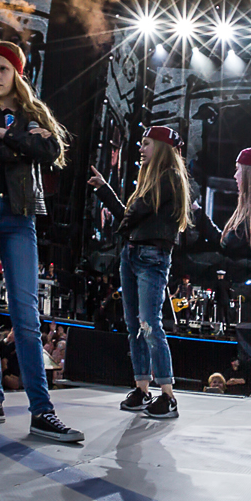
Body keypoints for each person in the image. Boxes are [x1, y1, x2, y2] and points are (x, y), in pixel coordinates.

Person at [0, 39, 82, 442]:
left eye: (2, 69)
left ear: (17, 74)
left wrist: (4, 135)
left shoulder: (34, 112)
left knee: (26, 315)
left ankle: (42, 411)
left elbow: (52, 149)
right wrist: (20, 140)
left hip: (19, 217)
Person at [90, 125, 193, 419]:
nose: (141, 149)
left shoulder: (169, 178)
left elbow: (131, 216)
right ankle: (142, 389)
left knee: (149, 324)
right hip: (134, 253)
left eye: (146, 144)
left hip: (150, 255)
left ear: (160, 149)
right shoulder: (152, 181)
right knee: (136, 326)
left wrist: (120, 222)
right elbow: (130, 216)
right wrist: (104, 190)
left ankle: (168, 395)